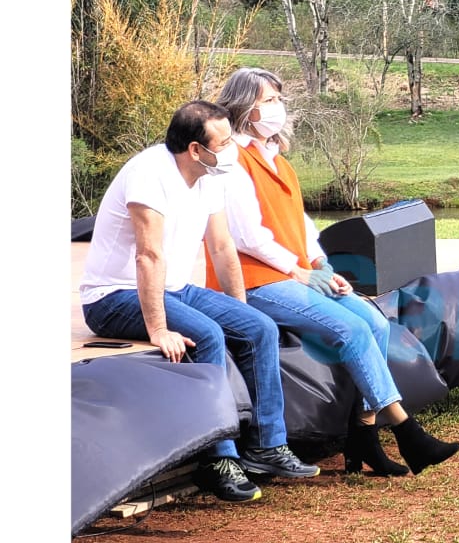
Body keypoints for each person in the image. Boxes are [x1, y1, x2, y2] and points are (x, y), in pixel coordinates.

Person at [208, 67, 459, 475]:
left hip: (294, 272)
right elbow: (247, 237)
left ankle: (362, 434)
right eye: (269, 100)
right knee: (354, 330)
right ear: (245, 108)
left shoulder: (276, 160)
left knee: (375, 324)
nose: (278, 108)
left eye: (278, 98)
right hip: (257, 279)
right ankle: (404, 428)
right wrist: (302, 274)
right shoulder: (233, 162)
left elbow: (301, 224)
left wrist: (322, 264)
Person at [80, 100, 320, 503]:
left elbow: (223, 247)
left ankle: (265, 446)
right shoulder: (148, 175)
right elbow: (148, 255)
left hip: (172, 286)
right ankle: (218, 459)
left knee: (259, 327)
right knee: (208, 334)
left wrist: (242, 307)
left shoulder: (211, 175)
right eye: (222, 141)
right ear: (195, 148)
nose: (231, 148)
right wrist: (158, 328)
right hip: (114, 294)